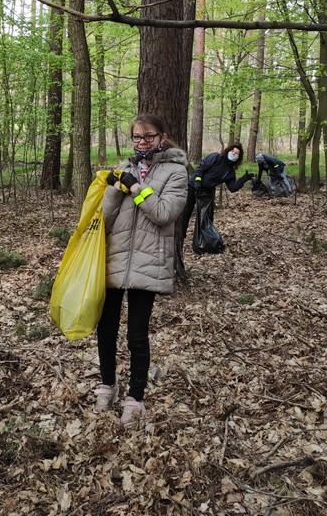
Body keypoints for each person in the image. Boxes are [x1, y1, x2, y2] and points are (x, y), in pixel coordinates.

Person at [94, 113, 188, 428]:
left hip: (148, 262)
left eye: (148, 136)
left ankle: (135, 398)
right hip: (115, 258)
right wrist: (113, 189)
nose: (142, 142)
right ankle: (107, 385)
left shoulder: (176, 172)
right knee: (106, 329)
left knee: (136, 334)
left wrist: (136, 187)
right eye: (137, 137)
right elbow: (105, 220)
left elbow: (163, 213)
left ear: (162, 137)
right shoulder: (126, 167)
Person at [179, 143, 254, 245]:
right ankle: (180, 236)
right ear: (228, 151)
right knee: (186, 212)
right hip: (194, 186)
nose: (233, 154)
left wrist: (244, 179)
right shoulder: (216, 157)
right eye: (232, 151)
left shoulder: (230, 172)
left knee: (206, 217)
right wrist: (197, 181)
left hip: (207, 193)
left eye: (236, 153)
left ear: (238, 158)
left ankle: (203, 242)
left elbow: (232, 188)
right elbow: (201, 168)